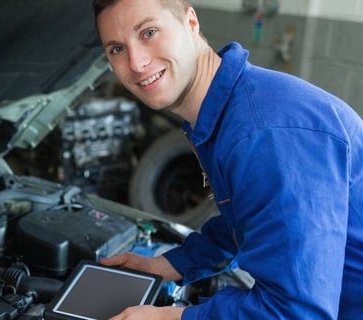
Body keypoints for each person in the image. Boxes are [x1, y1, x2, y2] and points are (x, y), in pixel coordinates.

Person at [93, 0, 363, 319]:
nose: (136, 62)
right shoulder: (226, 113)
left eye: (149, 32)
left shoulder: (264, 134)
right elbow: (250, 215)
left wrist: (171, 317)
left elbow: (295, 312)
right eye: (117, 49)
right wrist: (167, 266)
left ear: (191, 22)